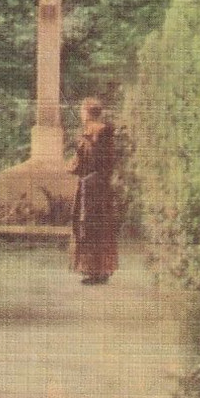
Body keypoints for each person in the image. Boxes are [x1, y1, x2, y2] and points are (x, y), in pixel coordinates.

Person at [69, 97, 118, 285]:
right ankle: (100, 269)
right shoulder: (99, 132)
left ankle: (95, 270)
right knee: (99, 226)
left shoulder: (94, 133)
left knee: (90, 226)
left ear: (86, 113)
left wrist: (74, 164)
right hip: (100, 186)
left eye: (83, 112)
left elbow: (81, 163)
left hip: (92, 187)